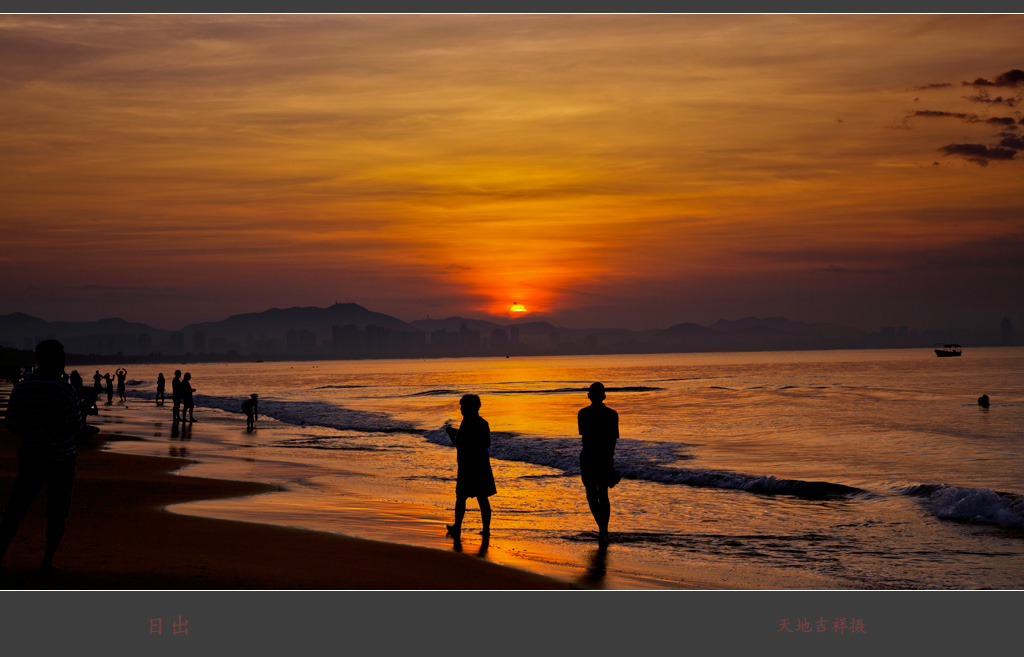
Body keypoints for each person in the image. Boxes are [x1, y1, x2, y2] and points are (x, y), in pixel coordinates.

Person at [0, 340, 84, 573]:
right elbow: (76, 424)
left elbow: (10, 423)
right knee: (57, 513)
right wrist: (57, 433)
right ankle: (47, 562)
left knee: (15, 510)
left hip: (30, 455)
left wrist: (33, 432)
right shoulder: (65, 389)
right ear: (60, 361)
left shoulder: (21, 388)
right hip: (61, 458)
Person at [443, 394, 496, 539]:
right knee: (482, 498)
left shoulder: (466, 423)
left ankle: (457, 527)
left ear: (471, 408)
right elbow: (486, 444)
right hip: (482, 465)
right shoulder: (483, 423)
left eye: (463, 407)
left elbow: (459, 443)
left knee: (461, 497)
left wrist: (451, 434)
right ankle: (486, 530)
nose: (461, 410)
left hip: (468, 466)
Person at [578, 382, 620, 544]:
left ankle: (602, 529)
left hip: (589, 457)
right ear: (604, 396)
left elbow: (586, 437)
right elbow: (612, 442)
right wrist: (610, 463)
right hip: (604, 457)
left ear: (589, 396)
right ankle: (604, 530)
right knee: (603, 494)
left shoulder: (583, 414)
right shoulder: (612, 414)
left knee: (592, 495)